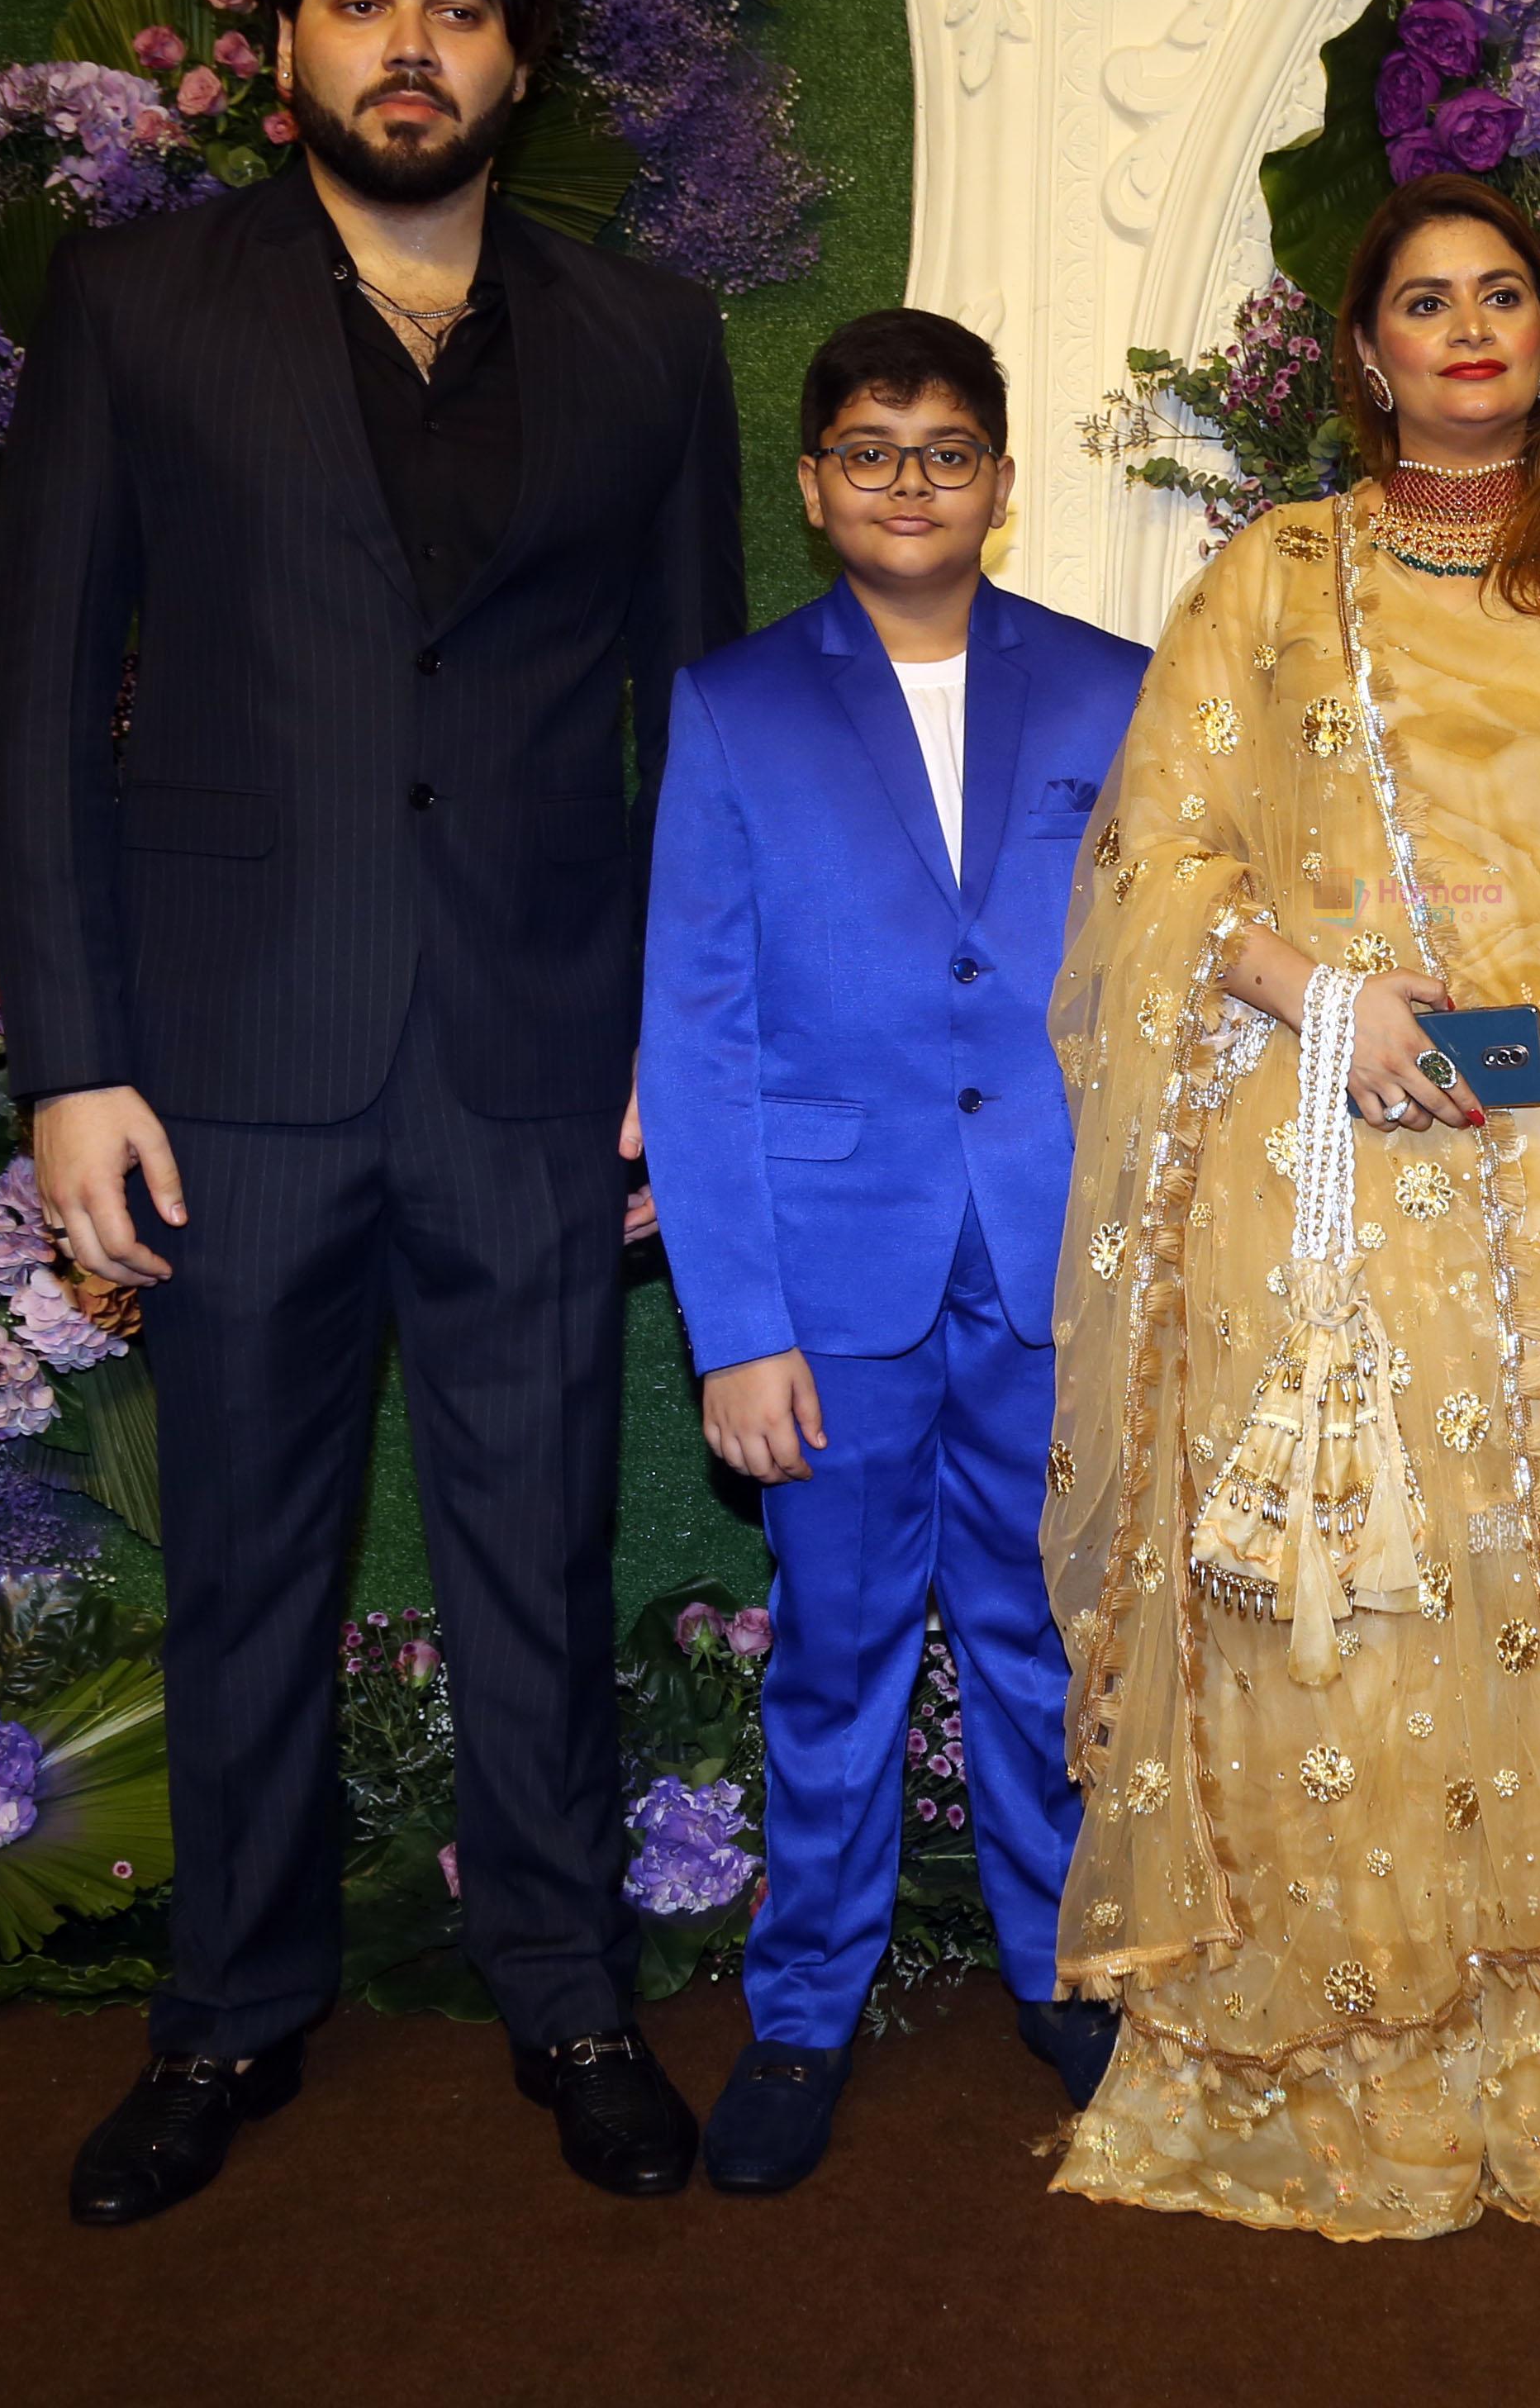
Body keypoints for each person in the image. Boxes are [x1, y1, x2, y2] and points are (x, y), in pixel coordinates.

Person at [0, 0, 747, 2224]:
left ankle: (573, 1995)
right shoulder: (137, 308)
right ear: (284, 43)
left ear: (521, 58)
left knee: (537, 1555)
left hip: (535, 1059)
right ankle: (225, 2019)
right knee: (246, 1565)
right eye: (357, 0)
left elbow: (700, 733)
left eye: (453, 5)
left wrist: (677, 1039)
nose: (406, 44)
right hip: (228, 1069)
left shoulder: (646, 335)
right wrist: (70, 1060)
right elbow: (37, 713)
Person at [1041, 171, 1540, 2239]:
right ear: (1364, 354)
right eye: (1422, 301)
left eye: (1504, 297)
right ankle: (1326, 2107)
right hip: (1329, 1180)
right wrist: (1320, 994)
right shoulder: (1273, 579)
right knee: (1336, 1617)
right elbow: (1156, 864)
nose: (1465, 329)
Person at [635, 309, 1151, 2193]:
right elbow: (693, 1028)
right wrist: (735, 1325)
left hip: (1056, 1261)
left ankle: (1063, 1975)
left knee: (1040, 1643)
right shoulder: (736, 706)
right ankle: (798, 2016)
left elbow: (1168, 987)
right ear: (812, 483)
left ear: (1003, 483)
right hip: (827, 1286)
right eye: (872, 449)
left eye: (947, 451)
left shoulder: (1119, 688)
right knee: (838, 1660)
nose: (911, 481)